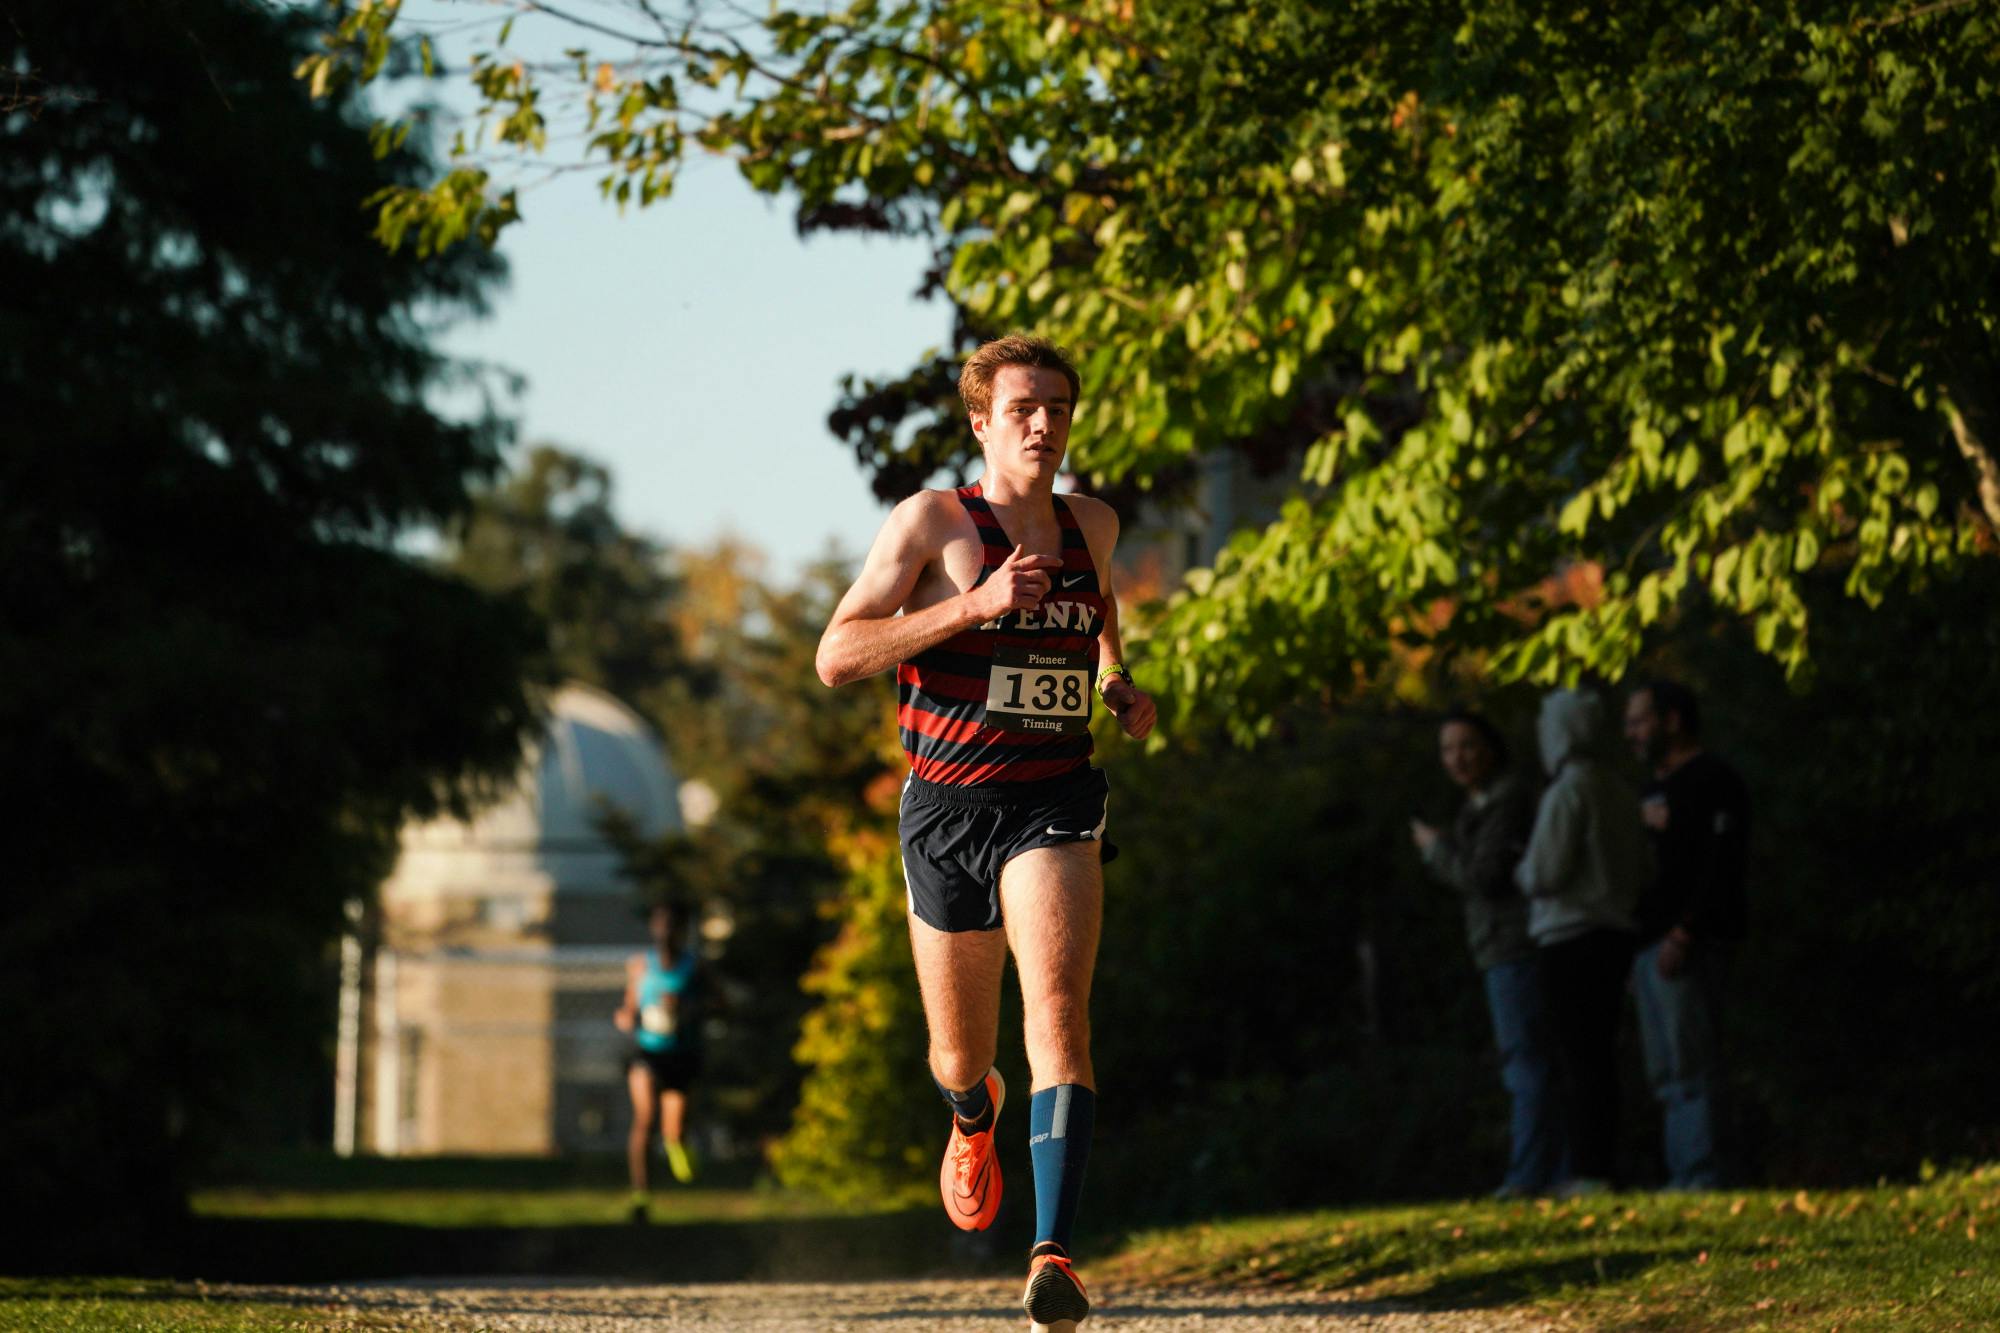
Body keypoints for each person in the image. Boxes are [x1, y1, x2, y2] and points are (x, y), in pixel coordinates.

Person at [816, 333, 1156, 1333]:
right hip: (946, 810)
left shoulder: (1093, 523)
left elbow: (1099, 612)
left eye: (1058, 407)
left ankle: (1053, 1255)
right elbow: (836, 655)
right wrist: (975, 604)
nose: (1043, 424)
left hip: (1054, 799)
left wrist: (1113, 680)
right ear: (981, 422)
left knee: (1058, 1016)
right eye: (1022, 408)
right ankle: (973, 1112)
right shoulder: (932, 521)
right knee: (958, 1052)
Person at [1411, 708, 1560, 1198]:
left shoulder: (1507, 801)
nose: (1457, 758)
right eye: (1448, 749)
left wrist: (1436, 850)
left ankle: (1531, 1175)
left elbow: (1483, 877)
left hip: (1514, 945)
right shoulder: (1480, 806)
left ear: (1491, 748)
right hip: (1501, 945)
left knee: (1527, 1061)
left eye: (1467, 746)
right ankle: (1547, 1170)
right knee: (1530, 1059)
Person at [1513, 689, 1650, 1195]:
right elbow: (1643, 867)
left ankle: (1589, 1169)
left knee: (1579, 1055)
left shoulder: (1568, 793)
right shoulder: (1619, 790)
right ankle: (1600, 1163)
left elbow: (1544, 871)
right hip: (1616, 933)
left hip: (1570, 935)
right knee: (1601, 1054)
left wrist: (1520, 869)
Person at [1623, 678, 1750, 1190]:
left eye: (1640, 720)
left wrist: (1685, 931)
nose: (1631, 733)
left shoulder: (1713, 779)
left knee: (1693, 1063)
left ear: (1672, 720)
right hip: (1649, 946)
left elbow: (1721, 864)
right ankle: (1685, 1175)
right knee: (1667, 1069)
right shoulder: (1648, 791)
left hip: (1690, 943)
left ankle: (1703, 1176)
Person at [614, 901, 701, 1221]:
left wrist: (688, 1009)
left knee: (673, 1131)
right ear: (654, 928)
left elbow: (722, 1005)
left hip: (681, 1054)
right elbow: (629, 1008)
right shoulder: (640, 966)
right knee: (645, 1119)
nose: (666, 933)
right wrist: (626, 1017)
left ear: (683, 931)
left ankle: (677, 1144)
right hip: (647, 1053)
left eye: (673, 926)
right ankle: (641, 1195)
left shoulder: (695, 967)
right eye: (661, 925)